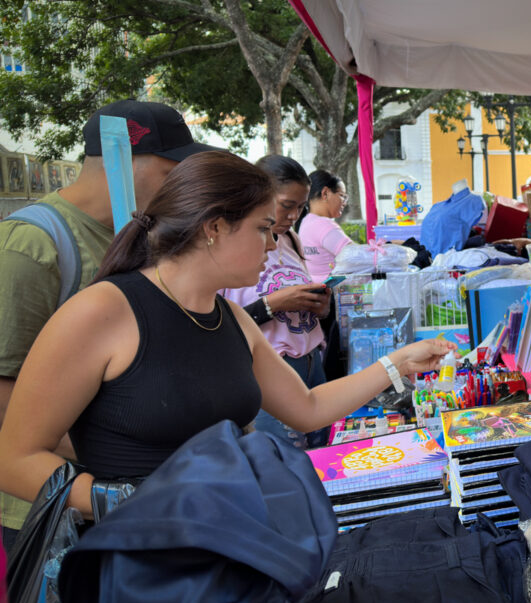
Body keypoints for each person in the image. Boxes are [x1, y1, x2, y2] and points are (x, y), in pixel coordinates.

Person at [0, 152, 453, 518]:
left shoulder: (230, 317)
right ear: (214, 228)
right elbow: (15, 458)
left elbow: (308, 409)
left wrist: (397, 363)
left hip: (233, 552)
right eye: (262, 229)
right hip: (146, 574)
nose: (274, 244)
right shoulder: (103, 311)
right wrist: (124, 502)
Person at [0, 99, 212, 548]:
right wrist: (129, 461)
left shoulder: (143, 237)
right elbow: (5, 395)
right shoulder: (32, 244)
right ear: (126, 159)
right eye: (171, 169)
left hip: (146, 498)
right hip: (57, 509)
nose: (181, 184)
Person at [221, 156, 332, 449]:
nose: (295, 215)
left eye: (301, 207)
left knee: (321, 462)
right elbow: (222, 325)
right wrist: (273, 304)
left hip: (312, 364)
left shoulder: (292, 240)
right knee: (285, 468)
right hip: (269, 373)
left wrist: (319, 307)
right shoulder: (231, 246)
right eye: (287, 205)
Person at [297, 170, 353, 279]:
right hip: (331, 291)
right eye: (342, 196)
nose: (344, 202)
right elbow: (356, 256)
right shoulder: (323, 225)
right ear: (325, 193)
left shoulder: (307, 222)